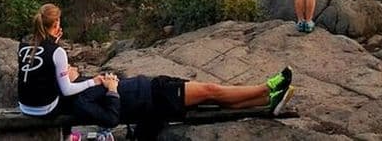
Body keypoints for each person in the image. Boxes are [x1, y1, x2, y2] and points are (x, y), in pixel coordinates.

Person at [69, 67, 294, 140]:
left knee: (213, 98)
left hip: (155, 87)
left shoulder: (82, 86)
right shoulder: (79, 99)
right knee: (211, 91)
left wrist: (106, 81)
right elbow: (110, 118)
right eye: (66, 68)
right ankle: (267, 88)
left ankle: (266, 100)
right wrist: (112, 90)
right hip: (156, 98)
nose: (71, 67)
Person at [17, 3, 110, 117]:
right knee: (79, 90)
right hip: (45, 109)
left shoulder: (23, 47)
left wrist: (54, 42)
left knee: (65, 77)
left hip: (25, 107)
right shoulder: (57, 51)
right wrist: (93, 82)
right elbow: (66, 90)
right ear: (56, 24)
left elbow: (42, 64)